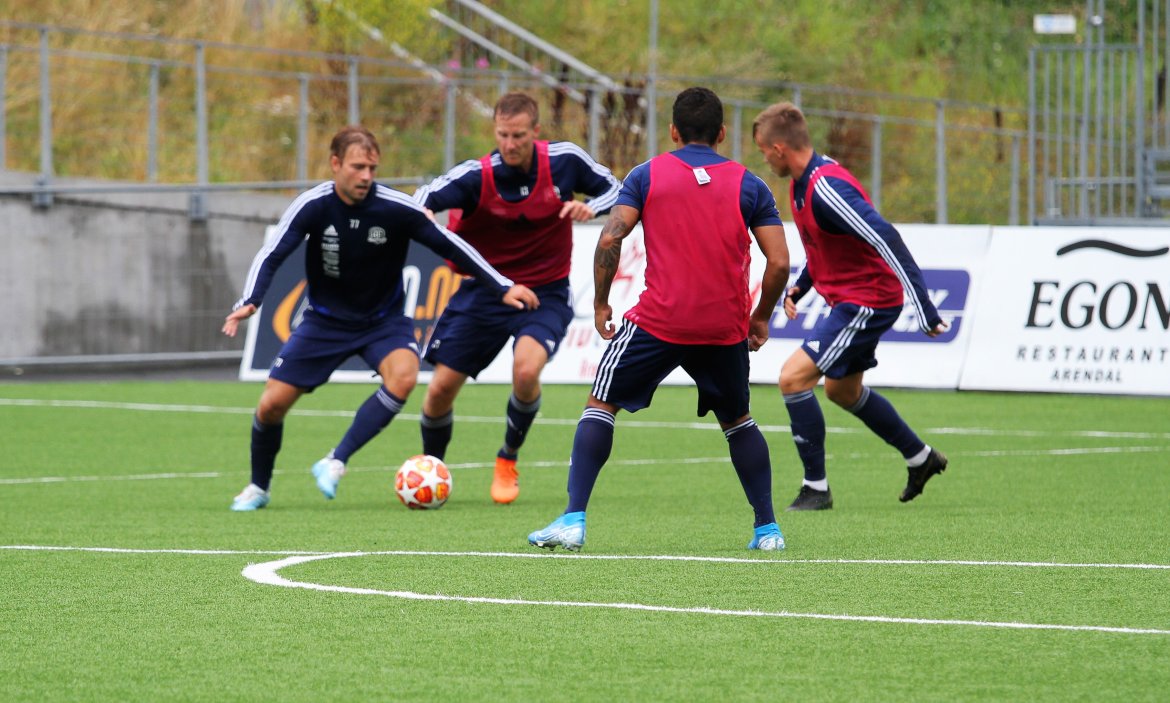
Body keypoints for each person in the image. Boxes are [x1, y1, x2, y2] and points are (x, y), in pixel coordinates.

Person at [527, 87, 791, 552]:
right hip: (723, 328)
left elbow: (611, 238)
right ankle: (767, 530)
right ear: (722, 133)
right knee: (738, 421)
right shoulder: (750, 184)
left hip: (659, 322)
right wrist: (761, 317)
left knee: (601, 403)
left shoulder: (647, 175)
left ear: (672, 131)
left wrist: (602, 304)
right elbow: (780, 262)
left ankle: (573, 519)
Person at [221, 126, 538, 511]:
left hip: (383, 323)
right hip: (324, 322)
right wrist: (251, 300)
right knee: (270, 406)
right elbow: (273, 253)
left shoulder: (395, 208)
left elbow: (450, 244)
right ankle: (258, 487)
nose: (366, 176)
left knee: (404, 376)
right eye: (357, 167)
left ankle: (335, 460)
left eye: (372, 168)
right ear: (335, 164)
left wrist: (502, 286)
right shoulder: (314, 205)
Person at [413, 92, 622, 504]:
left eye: (519, 136)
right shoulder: (477, 175)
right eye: (503, 135)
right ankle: (431, 471)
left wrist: (592, 207)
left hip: (545, 294)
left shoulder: (564, 161)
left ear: (535, 132)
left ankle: (508, 457)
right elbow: (423, 198)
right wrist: (422, 217)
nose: (510, 144)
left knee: (526, 371)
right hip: (485, 292)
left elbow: (617, 188)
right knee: (438, 391)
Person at [751, 102, 949, 512]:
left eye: (764, 151)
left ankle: (816, 488)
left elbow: (884, 237)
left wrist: (925, 307)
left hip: (868, 300)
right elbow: (826, 245)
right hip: (851, 297)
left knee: (792, 379)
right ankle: (920, 457)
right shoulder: (801, 184)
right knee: (843, 391)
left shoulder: (826, 188)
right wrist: (801, 287)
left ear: (780, 148)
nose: (764, 158)